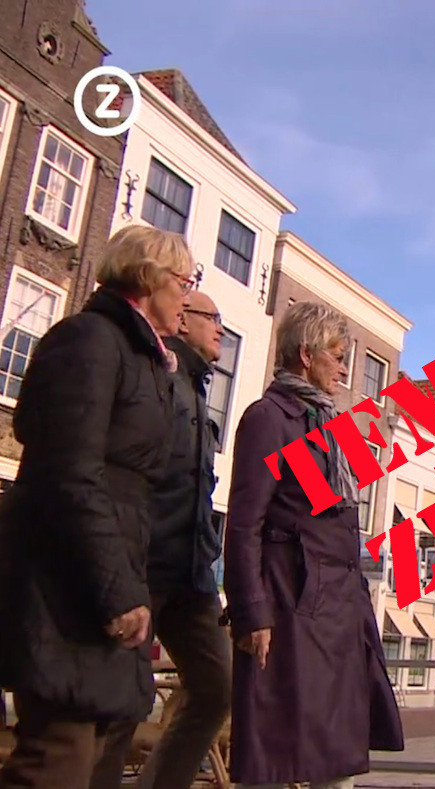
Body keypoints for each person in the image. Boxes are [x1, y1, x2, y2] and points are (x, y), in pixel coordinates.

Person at [0, 224, 196, 787]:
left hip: (97, 569)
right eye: (184, 281)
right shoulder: (89, 340)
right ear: (149, 278)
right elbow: (71, 472)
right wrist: (118, 590)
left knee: (80, 748)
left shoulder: (141, 358)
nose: (187, 295)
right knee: (57, 753)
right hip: (66, 580)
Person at [223, 301, 403, 787]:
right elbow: (244, 524)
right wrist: (251, 611)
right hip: (291, 603)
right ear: (306, 354)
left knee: (337, 754)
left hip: (338, 607)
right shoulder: (268, 418)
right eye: (337, 355)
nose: (345, 368)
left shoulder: (326, 423)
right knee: (274, 753)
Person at [89, 291, 231, 789]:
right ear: (183, 320)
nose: (220, 328)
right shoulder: (157, 376)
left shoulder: (196, 388)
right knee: (123, 702)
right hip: (144, 566)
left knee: (217, 687)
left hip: (190, 575)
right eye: (212, 317)